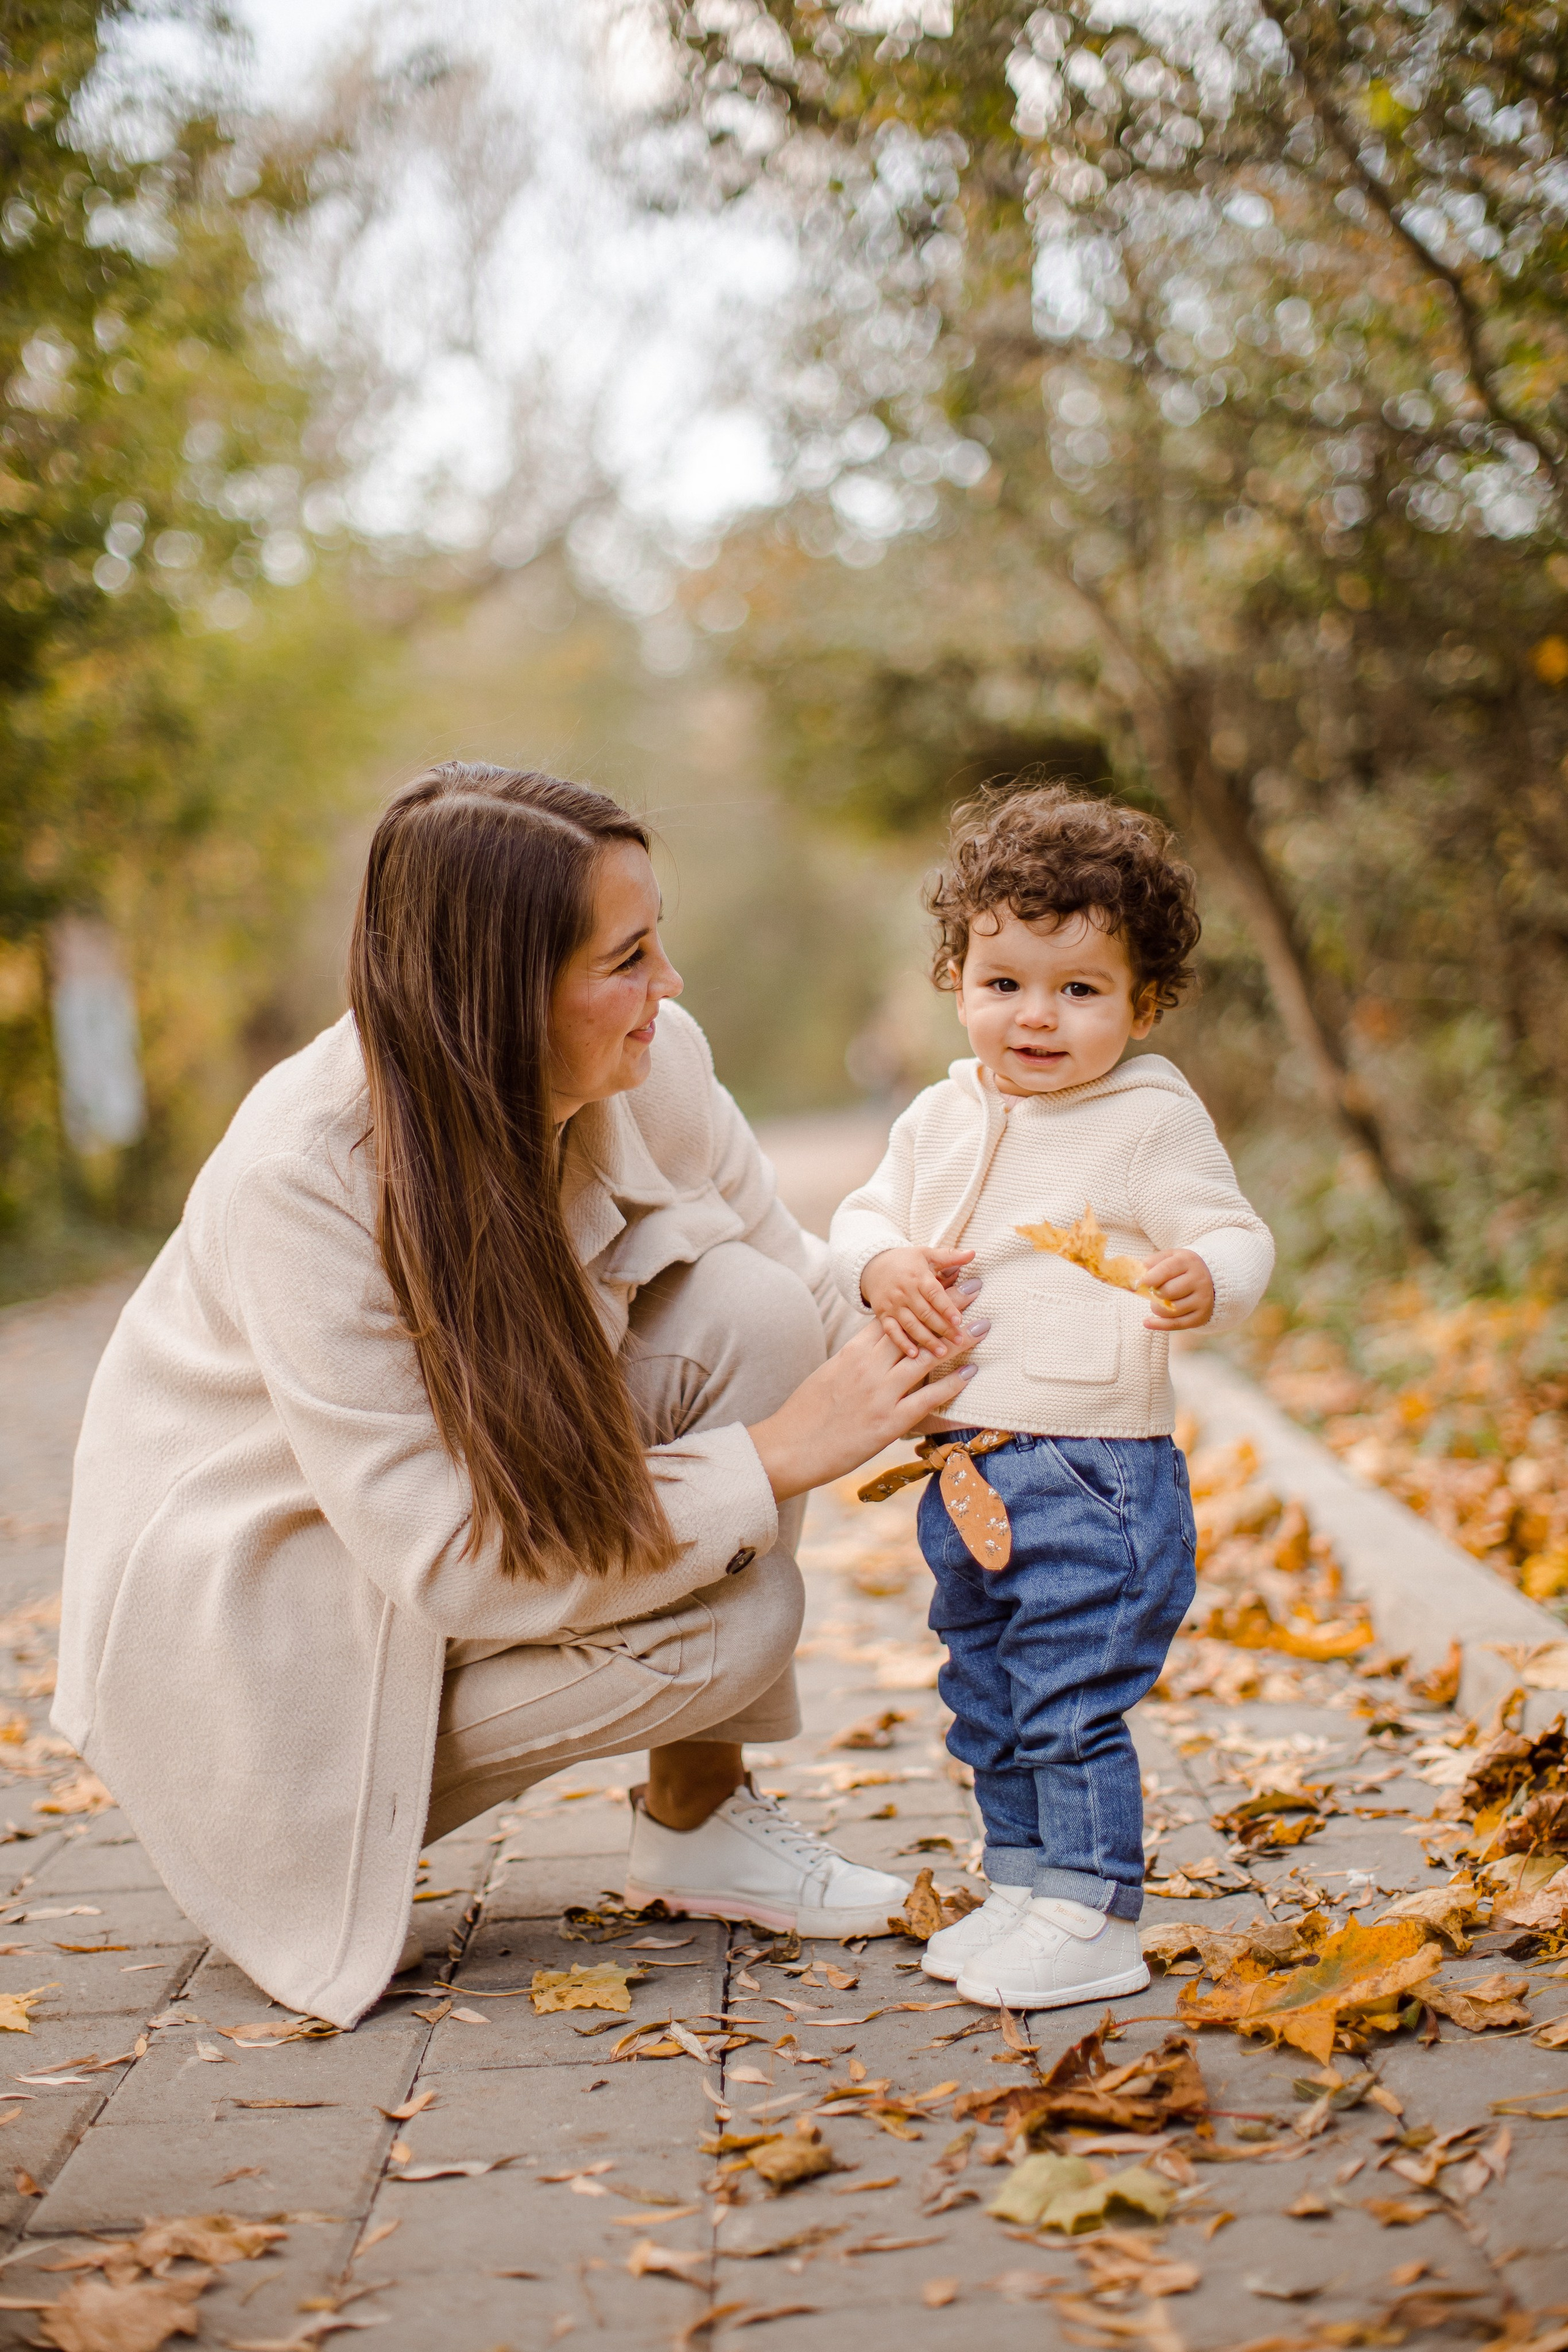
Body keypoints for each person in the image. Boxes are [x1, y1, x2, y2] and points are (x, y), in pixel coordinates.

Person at [55, 764, 986, 2029]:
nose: (668, 988)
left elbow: (791, 1281)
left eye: (660, 941)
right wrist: (766, 1458)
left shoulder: (650, 1062)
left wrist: (973, 1355)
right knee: (735, 1616)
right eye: (629, 957)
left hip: (439, 1541)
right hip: (271, 1630)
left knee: (743, 1316)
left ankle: (698, 1823)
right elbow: (442, 1552)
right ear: (496, 997)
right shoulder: (303, 1176)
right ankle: (323, 1815)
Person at [829, 786, 1273, 2011]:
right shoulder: (938, 1113)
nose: (1035, 1016)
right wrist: (877, 1263)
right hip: (963, 1467)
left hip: (1092, 1471)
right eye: (1003, 981)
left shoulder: (1144, 1118)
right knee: (985, 1686)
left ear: (1143, 1001)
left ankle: (1089, 1911)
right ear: (957, 977)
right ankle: (1023, 1882)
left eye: (1078, 990)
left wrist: (1205, 1278)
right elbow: (861, 1215)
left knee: (1068, 1695)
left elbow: (1233, 1233)